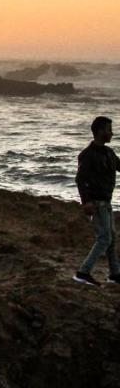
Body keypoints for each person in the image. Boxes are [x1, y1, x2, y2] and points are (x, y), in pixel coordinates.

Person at [74, 115, 120, 286]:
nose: (112, 133)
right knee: (104, 239)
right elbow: (80, 179)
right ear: (100, 131)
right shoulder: (87, 155)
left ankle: (115, 274)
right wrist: (86, 202)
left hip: (106, 202)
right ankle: (83, 272)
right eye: (109, 130)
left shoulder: (109, 153)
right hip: (97, 203)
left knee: (111, 238)